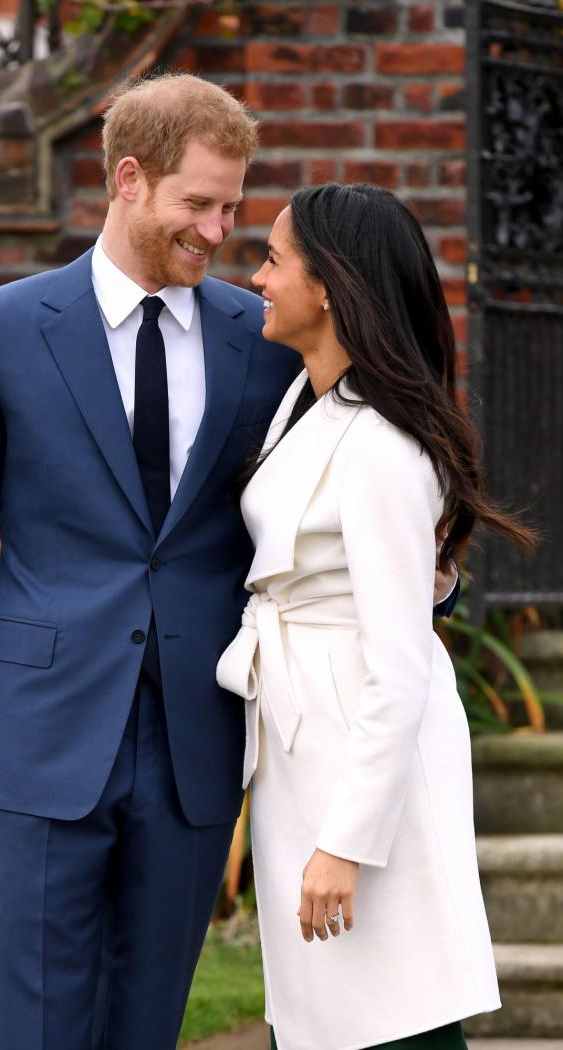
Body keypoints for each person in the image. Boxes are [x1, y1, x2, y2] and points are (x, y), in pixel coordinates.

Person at [0, 74, 456, 1050]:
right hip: (41, 734)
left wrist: (426, 580)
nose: (217, 231)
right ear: (128, 181)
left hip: (200, 742)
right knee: (34, 1026)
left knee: (146, 1025)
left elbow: (355, 478)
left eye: (233, 207)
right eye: (196, 205)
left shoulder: (268, 340)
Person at [218, 184, 535, 1050]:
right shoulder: (306, 403)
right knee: (324, 1020)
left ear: (328, 286)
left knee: (392, 1016)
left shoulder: (385, 447)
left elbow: (400, 663)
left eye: (275, 259)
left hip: (362, 766)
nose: (257, 277)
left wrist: (345, 844)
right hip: (303, 739)